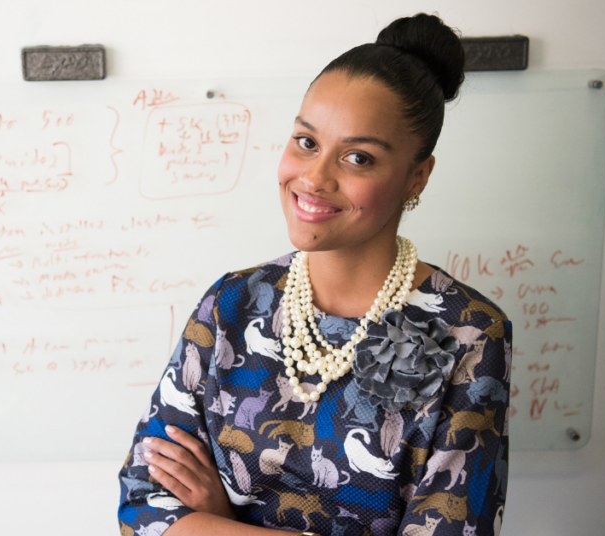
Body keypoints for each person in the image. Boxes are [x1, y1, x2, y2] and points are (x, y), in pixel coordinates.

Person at [117, 13, 510, 536]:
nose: (315, 177)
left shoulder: (467, 335)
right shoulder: (232, 303)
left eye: (357, 157)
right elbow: (143, 507)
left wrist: (220, 520)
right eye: (306, 142)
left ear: (418, 175)